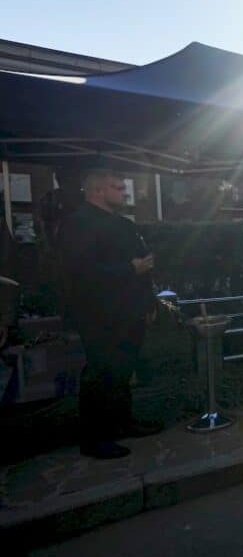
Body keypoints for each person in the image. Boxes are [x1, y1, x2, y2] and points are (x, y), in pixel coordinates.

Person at [58, 168, 160, 459]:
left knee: (123, 371)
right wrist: (131, 269)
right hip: (99, 313)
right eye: (118, 187)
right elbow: (80, 272)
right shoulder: (77, 224)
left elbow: (143, 263)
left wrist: (148, 302)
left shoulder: (124, 225)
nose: (125, 193)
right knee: (101, 372)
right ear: (98, 191)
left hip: (131, 309)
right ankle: (94, 438)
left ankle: (122, 423)